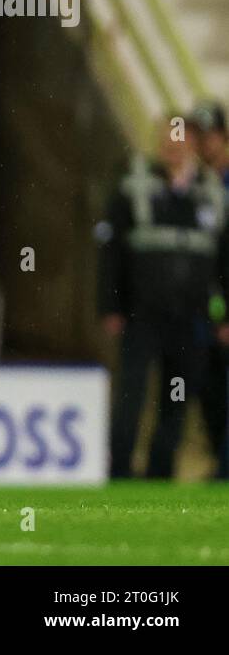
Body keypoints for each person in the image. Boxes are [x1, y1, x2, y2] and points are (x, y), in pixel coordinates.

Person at [99, 119, 229, 479]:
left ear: (192, 144)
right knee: (132, 395)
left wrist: (224, 316)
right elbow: (112, 252)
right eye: (168, 139)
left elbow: (223, 260)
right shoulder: (134, 186)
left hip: (191, 316)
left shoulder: (211, 193)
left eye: (181, 138)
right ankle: (121, 470)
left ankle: (160, 470)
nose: (173, 146)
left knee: (177, 399)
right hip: (143, 312)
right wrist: (110, 305)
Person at [189, 99, 229, 478]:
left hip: (223, 307)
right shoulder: (195, 186)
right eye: (197, 135)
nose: (202, 143)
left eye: (209, 135)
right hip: (202, 310)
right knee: (207, 393)